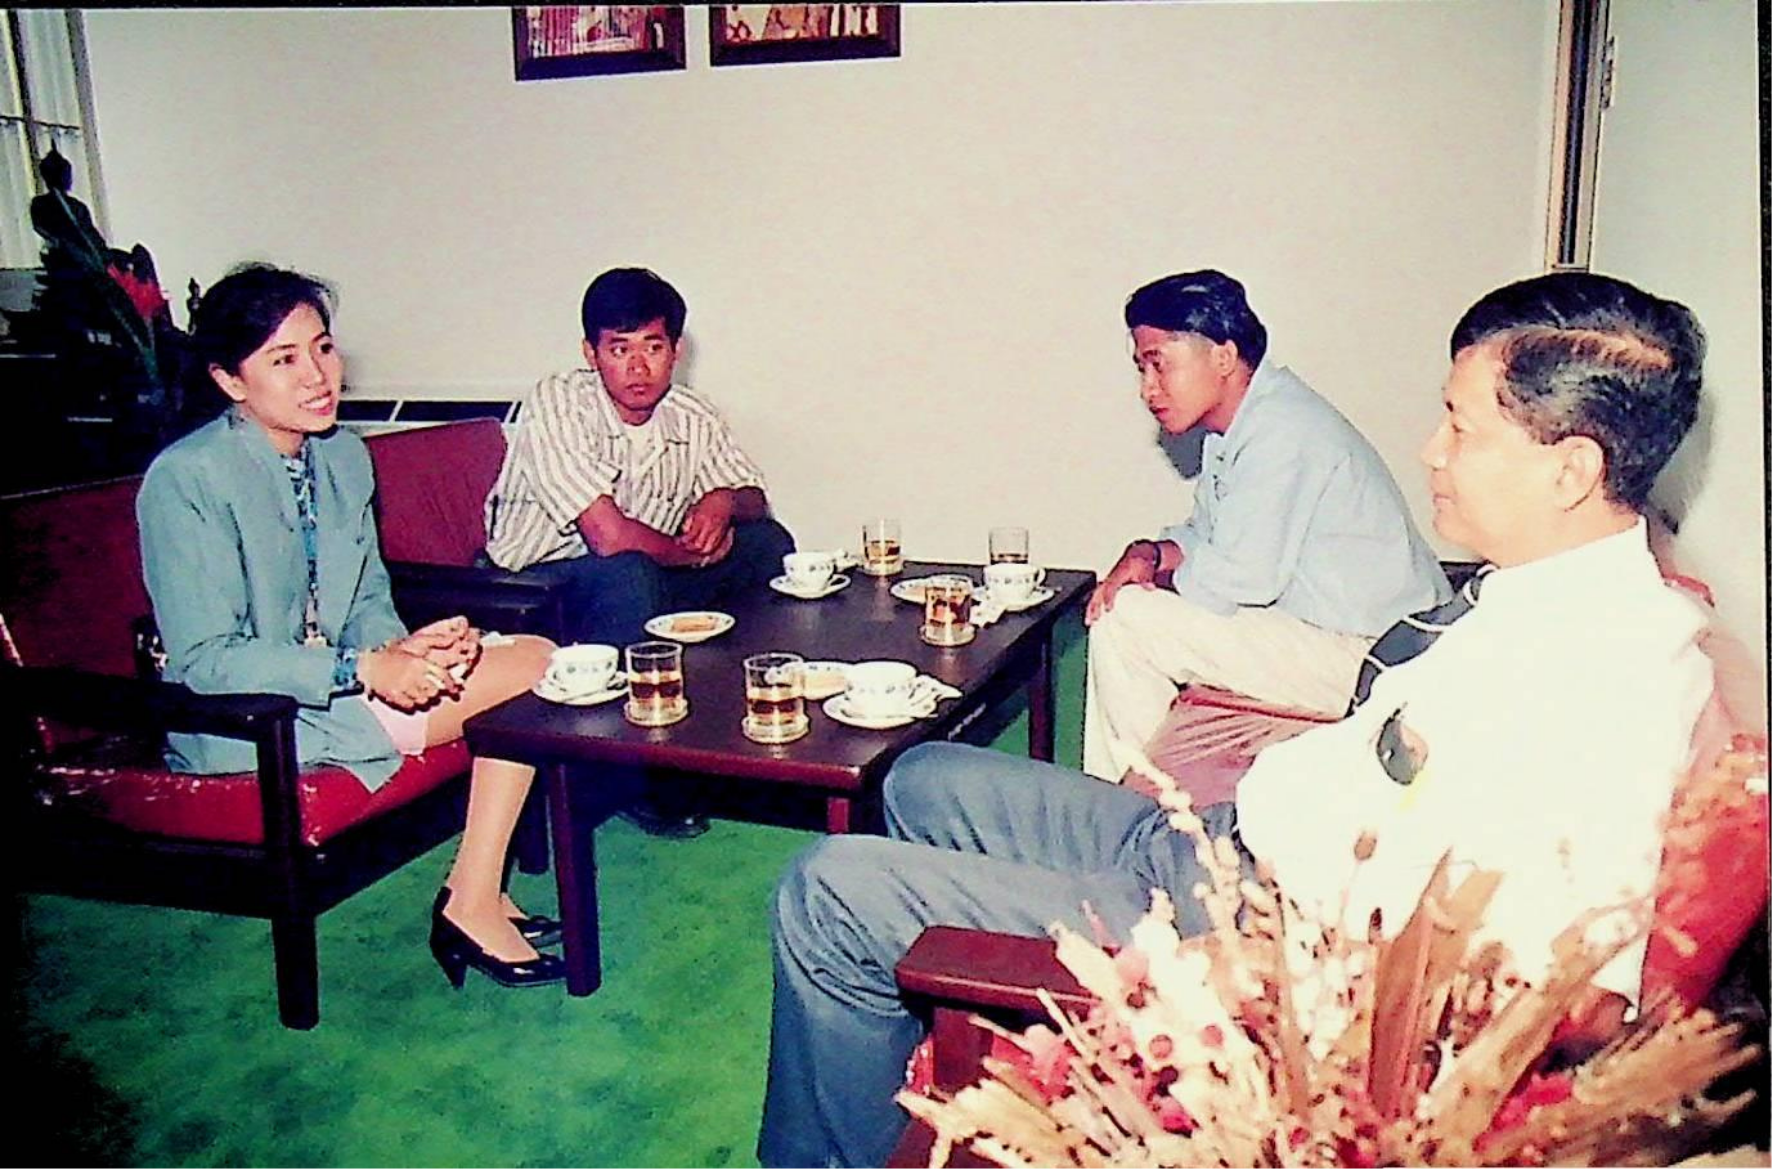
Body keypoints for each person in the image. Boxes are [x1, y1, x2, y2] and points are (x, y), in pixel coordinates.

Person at [756, 271, 1714, 1167]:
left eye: (1461, 428)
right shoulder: (1541, 593)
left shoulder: (1607, 678)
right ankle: (914, 1031)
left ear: (1569, 469)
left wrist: (1257, 981)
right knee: (921, 775)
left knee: (828, 888)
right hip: (1218, 841)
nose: (1430, 449)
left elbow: (1578, 992)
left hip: (1239, 926)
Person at [137, 264, 566, 990]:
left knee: (529, 660)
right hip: (251, 717)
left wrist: (405, 647)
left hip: (341, 685)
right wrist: (362, 669)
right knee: (535, 666)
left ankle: (477, 893)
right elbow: (204, 660)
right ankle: (471, 900)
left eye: (323, 348)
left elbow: (366, 596)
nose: (317, 376)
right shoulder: (187, 479)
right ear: (230, 380)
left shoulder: (342, 454)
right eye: (284, 358)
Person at [1082, 270, 1448, 782]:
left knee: (1125, 616)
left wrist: (1156, 580)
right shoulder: (1242, 427)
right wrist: (1152, 553)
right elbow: (1206, 536)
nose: (1148, 389)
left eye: (1158, 364)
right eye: (1142, 369)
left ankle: (1115, 804)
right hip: (1350, 642)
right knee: (1130, 606)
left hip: (1381, 660)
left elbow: (1242, 579)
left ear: (1223, 356)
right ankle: (1130, 792)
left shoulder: (1282, 431)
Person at [483, 266, 795, 837]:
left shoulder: (692, 413)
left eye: (652, 347)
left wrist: (723, 500)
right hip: (536, 585)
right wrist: (689, 553)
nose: (636, 366)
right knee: (628, 573)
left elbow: (754, 496)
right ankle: (629, 778)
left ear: (676, 351)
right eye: (618, 348)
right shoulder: (558, 402)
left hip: (647, 570)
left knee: (766, 545)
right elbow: (608, 536)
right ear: (590, 353)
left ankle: (732, 741)